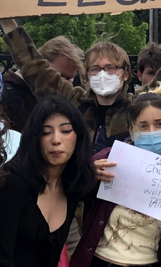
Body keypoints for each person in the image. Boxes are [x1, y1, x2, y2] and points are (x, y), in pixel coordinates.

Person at [0, 5, 161, 153]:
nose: (102, 74)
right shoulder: (73, 103)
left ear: (125, 74)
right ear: (86, 76)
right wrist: (7, 20)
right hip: (81, 203)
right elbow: (35, 69)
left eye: (110, 67)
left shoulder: (141, 106)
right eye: (95, 69)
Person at [71, 82, 161, 267]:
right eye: (143, 126)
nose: (151, 132)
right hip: (98, 261)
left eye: (160, 124)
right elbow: (69, 189)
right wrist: (88, 174)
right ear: (132, 132)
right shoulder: (110, 159)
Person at [0, 96, 96, 267]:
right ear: (34, 138)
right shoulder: (13, 182)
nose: (56, 140)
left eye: (66, 130)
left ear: (78, 136)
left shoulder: (74, 184)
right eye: (46, 132)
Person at [0, 35, 84, 132]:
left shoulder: (68, 97)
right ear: (41, 67)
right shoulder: (5, 95)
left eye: (70, 78)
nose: (63, 82)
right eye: (59, 76)